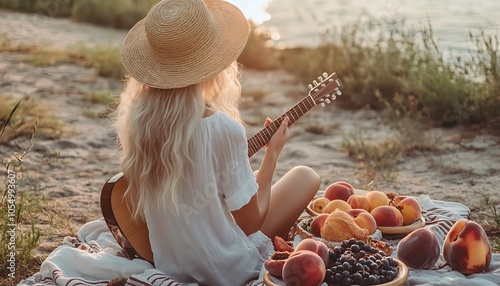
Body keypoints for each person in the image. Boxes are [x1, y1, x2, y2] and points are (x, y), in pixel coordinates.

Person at [114, 0, 321, 284]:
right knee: (304, 176)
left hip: (170, 264)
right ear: (212, 61)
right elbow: (250, 224)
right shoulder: (223, 129)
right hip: (227, 269)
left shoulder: (140, 123)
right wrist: (272, 155)